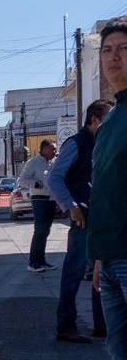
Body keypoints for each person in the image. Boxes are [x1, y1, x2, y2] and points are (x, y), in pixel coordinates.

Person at [79, 20, 127, 360]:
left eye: (124, 49)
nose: (114, 58)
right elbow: (107, 192)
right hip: (111, 258)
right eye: (108, 50)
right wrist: (97, 257)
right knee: (124, 359)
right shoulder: (112, 120)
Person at [47, 99, 114, 343]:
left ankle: (102, 326)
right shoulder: (76, 143)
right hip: (84, 218)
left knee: (102, 272)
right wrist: (71, 206)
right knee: (74, 272)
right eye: (108, 118)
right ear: (94, 119)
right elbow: (54, 178)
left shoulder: (104, 142)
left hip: (103, 217)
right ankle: (66, 326)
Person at [17, 139, 58, 272]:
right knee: (40, 230)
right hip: (39, 199)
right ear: (44, 149)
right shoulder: (33, 163)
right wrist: (36, 183)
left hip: (51, 199)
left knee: (45, 231)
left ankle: (41, 261)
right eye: (53, 149)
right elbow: (22, 180)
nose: (55, 152)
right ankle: (33, 263)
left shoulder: (53, 162)